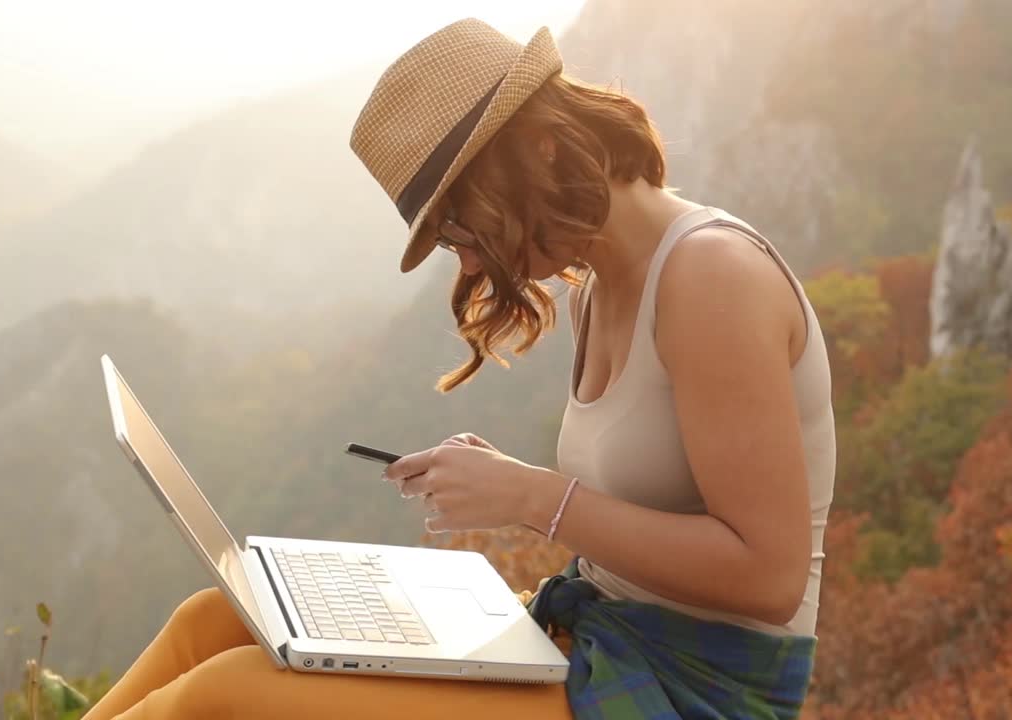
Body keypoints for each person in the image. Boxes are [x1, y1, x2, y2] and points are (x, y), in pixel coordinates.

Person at [83, 17, 835, 720]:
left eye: (460, 225)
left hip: (691, 686)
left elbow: (767, 579)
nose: (470, 261)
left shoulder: (711, 278)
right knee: (209, 621)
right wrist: (509, 481)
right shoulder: (599, 289)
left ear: (539, 147)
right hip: (606, 636)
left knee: (222, 697)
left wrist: (532, 496)